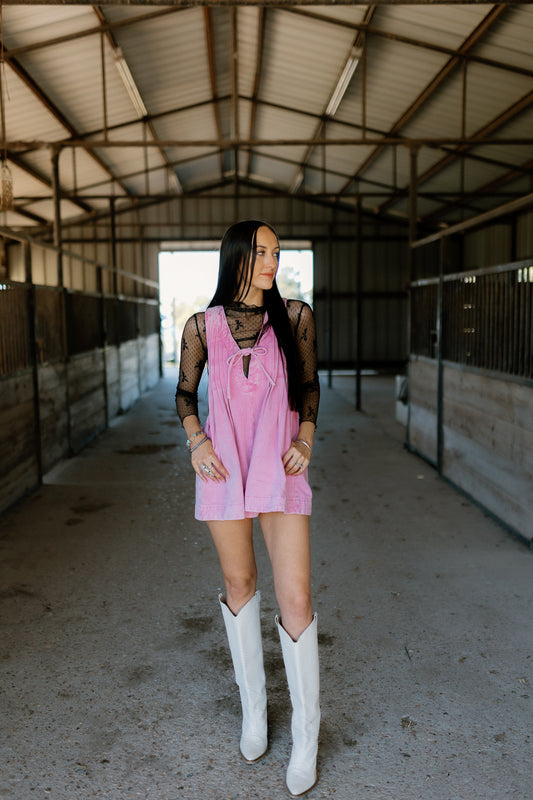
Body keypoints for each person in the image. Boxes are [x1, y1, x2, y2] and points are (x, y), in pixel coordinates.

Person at [175, 220, 320, 797]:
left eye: (277, 252)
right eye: (261, 252)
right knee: (239, 584)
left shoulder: (297, 316)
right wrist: (197, 441)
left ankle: (307, 735)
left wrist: (305, 438)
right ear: (236, 255)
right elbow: (185, 394)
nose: (272, 261)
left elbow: (309, 387)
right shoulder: (201, 326)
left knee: (297, 596)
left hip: (280, 463)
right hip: (224, 464)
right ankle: (255, 712)